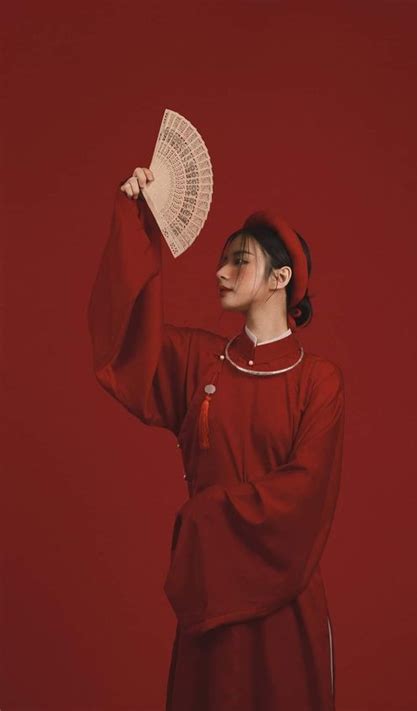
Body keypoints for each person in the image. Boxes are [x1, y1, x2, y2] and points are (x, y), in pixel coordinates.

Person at [87, 166, 346, 711]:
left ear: (280, 278)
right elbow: (128, 344)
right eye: (223, 260)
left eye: (240, 260)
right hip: (210, 602)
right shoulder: (199, 361)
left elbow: (306, 494)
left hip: (286, 600)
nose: (221, 272)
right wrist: (140, 227)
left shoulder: (317, 380)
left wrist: (202, 518)